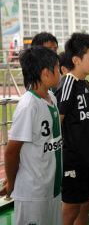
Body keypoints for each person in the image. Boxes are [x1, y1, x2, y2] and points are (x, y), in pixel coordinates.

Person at [0, 46, 62, 224]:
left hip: (52, 189)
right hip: (33, 194)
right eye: (57, 69)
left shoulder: (51, 98)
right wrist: (11, 182)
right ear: (45, 74)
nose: (60, 73)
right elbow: (12, 151)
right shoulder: (29, 106)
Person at [55, 33, 89, 225]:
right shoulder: (68, 83)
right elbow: (58, 119)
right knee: (72, 206)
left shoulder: (86, 85)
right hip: (73, 159)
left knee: (87, 202)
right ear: (76, 59)